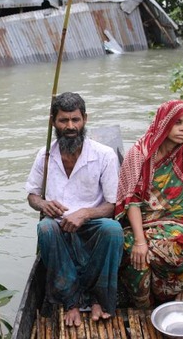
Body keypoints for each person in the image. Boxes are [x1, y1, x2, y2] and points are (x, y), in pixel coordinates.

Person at [25, 92, 124, 327]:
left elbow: (112, 205)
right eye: (63, 120)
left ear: (85, 119)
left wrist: (86, 213)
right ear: (53, 122)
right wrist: (43, 204)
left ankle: (100, 299)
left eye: (75, 120)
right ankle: (71, 301)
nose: (70, 126)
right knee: (45, 228)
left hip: (92, 223)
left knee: (113, 230)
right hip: (59, 224)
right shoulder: (45, 155)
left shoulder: (104, 155)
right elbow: (31, 195)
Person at [114, 100, 183, 309]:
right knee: (134, 254)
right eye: (177, 122)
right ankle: (143, 305)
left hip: (173, 226)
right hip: (136, 225)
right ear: (164, 122)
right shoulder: (139, 153)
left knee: (176, 242)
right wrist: (140, 241)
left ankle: (172, 288)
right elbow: (130, 200)